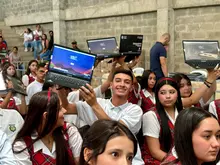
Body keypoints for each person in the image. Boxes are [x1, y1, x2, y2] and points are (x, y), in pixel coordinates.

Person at [58, 69, 144, 164]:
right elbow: (67, 108)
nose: (122, 84)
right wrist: (61, 88)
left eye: (127, 82)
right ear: (111, 85)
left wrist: (94, 105)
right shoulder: (100, 102)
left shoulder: (135, 110)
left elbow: (117, 131)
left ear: (131, 87)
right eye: (118, 81)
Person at [13, 91, 82, 165]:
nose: (65, 111)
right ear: (46, 116)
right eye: (60, 109)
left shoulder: (69, 131)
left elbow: (80, 162)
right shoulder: (22, 145)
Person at [142, 77, 183, 164]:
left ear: (178, 94)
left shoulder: (184, 113)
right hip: (160, 161)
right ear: (157, 95)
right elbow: (155, 152)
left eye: (172, 92)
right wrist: (178, 162)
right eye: (162, 93)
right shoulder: (151, 116)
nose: (168, 96)